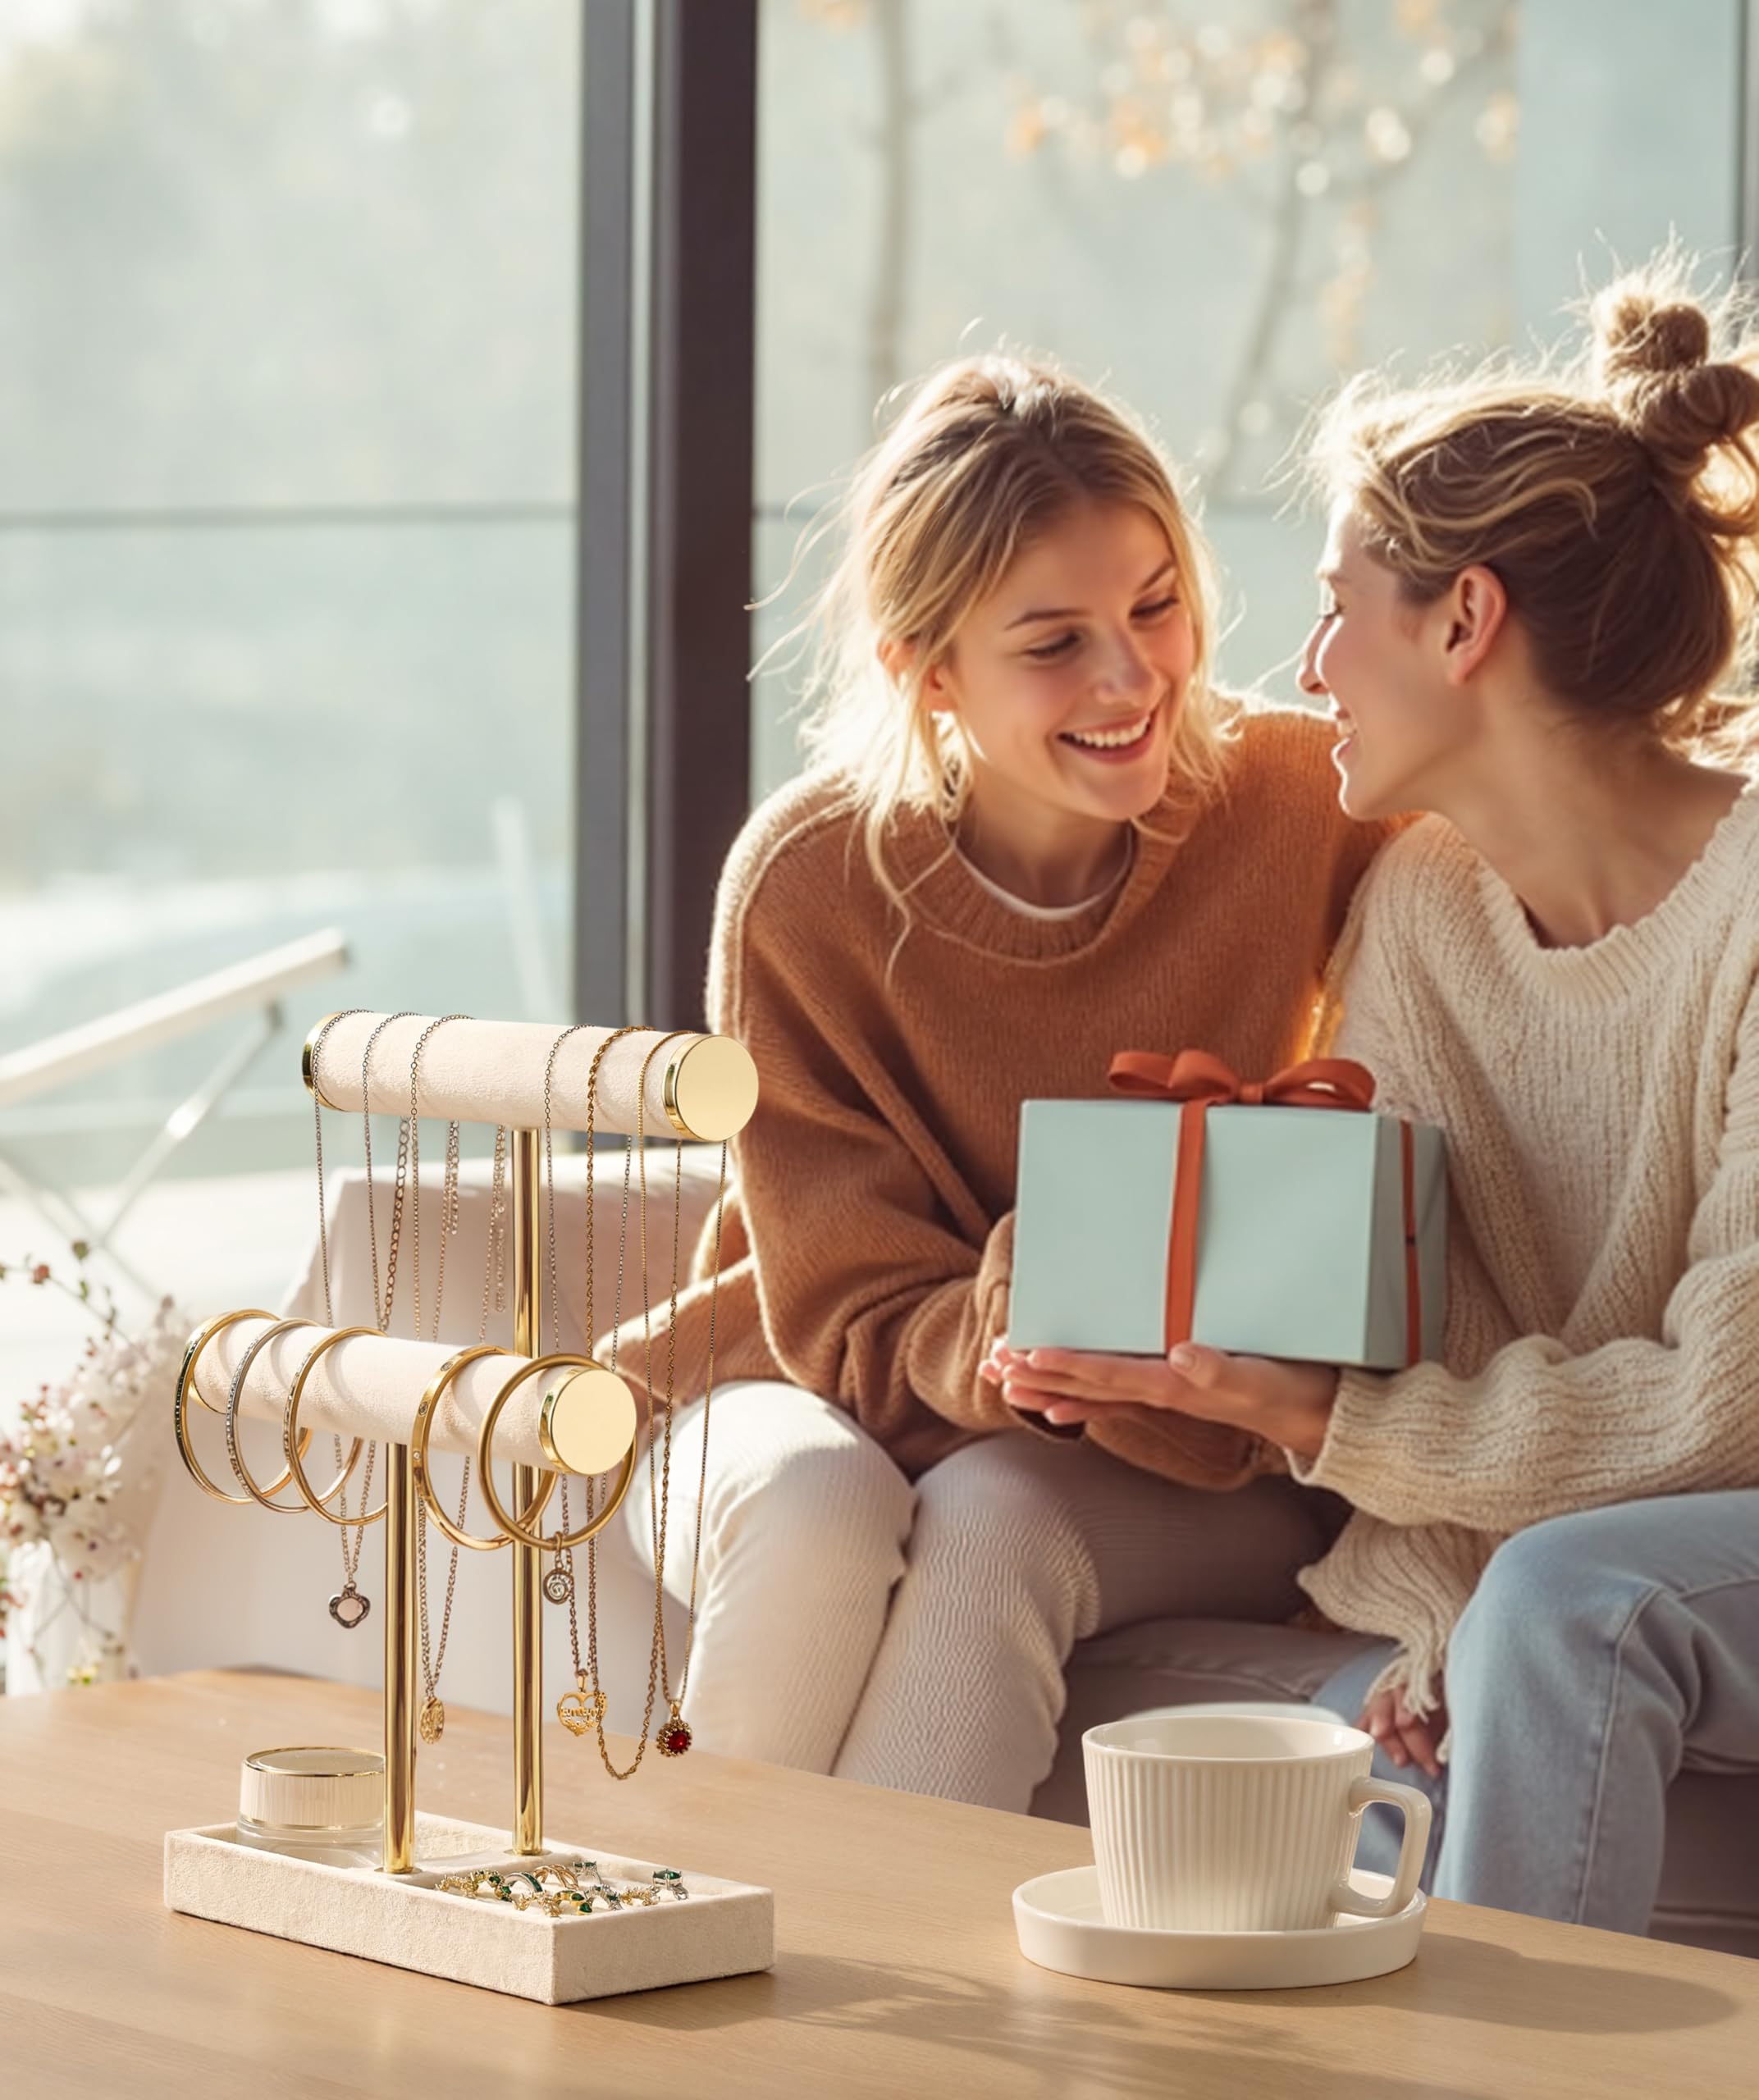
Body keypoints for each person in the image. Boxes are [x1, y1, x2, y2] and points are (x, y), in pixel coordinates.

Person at [995, 262, 1759, 1930]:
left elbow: (1724, 1407)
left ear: (1465, 621)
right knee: (1521, 1615)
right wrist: (1434, 1621)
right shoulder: (1423, 905)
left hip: (1701, 1541)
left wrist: (1321, 1423)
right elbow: (1440, 1335)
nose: (1312, 663)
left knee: (1562, 1604)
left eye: (1341, 604)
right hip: (1576, 1568)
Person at [605, 352, 1389, 1803]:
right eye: (1053, 643)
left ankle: (849, 1946)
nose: (1131, 677)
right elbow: (837, 1317)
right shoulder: (808, 888)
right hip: (817, 1382)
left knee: (993, 1519)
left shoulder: (1305, 801)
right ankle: (704, 1909)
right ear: (926, 668)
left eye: (1155, 605)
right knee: (819, 1507)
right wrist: (1015, 1334)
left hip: (1183, 1434)